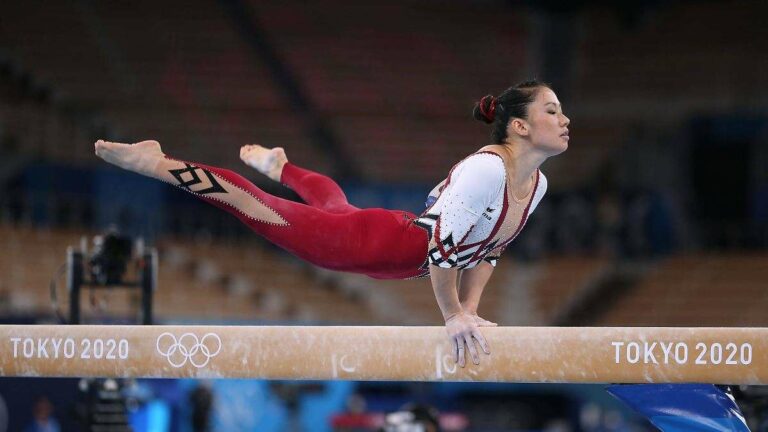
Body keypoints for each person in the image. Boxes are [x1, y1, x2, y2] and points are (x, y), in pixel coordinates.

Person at [94, 80, 569, 367]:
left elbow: (486, 251)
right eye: (551, 110)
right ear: (519, 126)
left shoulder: (536, 184)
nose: (564, 118)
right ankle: (155, 163)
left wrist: (470, 310)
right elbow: (443, 253)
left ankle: (282, 166)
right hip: (382, 245)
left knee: (335, 207)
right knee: (254, 205)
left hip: (392, 237)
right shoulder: (487, 169)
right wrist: (452, 315)